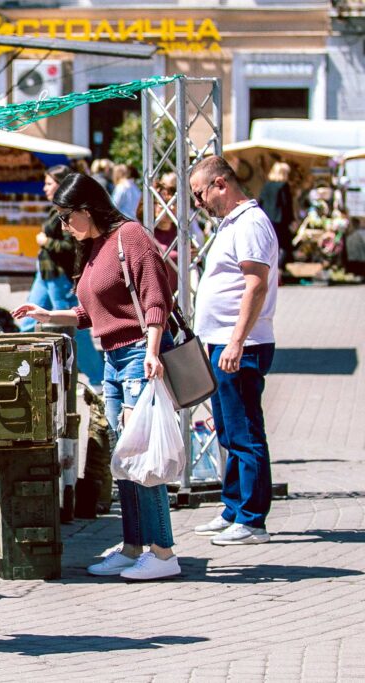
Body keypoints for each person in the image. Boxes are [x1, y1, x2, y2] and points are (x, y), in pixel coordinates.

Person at [12, 172, 180, 581]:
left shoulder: (131, 237)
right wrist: (48, 315)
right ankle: (132, 547)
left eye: (67, 217)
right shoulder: (94, 247)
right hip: (112, 362)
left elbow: (155, 299)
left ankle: (163, 552)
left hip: (139, 355)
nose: (64, 226)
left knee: (142, 456)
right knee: (121, 456)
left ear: (87, 209)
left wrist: (154, 353)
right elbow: (93, 313)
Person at [188, 155, 279, 546]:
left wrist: (237, 341)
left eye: (199, 193)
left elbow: (255, 284)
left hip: (240, 343)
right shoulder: (233, 224)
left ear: (221, 184)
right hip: (223, 341)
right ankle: (233, 508)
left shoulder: (251, 223)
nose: (198, 202)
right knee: (226, 429)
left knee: (245, 431)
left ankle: (252, 519)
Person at [18, 164, 105, 391]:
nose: (44, 188)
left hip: (59, 277)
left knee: (72, 327)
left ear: (61, 184)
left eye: (49, 183)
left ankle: (96, 377)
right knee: (27, 323)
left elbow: (71, 246)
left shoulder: (69, 212)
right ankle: (28, 372)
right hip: (45, 274)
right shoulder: (55, 209)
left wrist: (46, 242)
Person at [257, 161, 295, 273]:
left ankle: (270, 270)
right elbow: (286, 205)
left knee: (269, 247)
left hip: (266, 220)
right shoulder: (283, 186)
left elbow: (261, 202)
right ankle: (278, 270)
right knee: (286, 246)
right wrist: (291, 220)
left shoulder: (266, 185)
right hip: (280, 221)